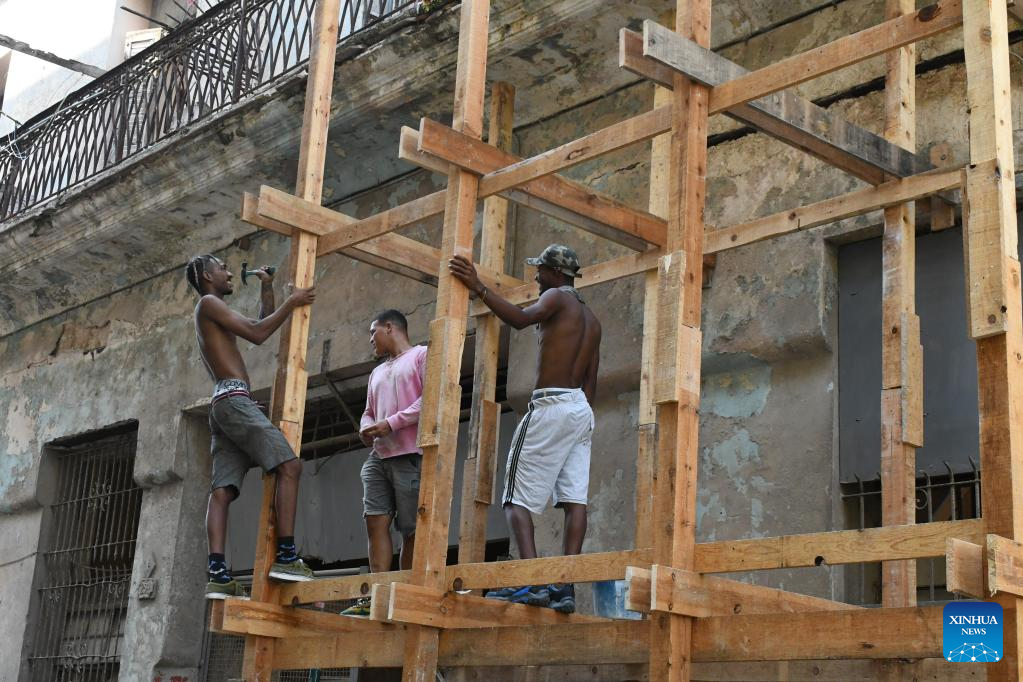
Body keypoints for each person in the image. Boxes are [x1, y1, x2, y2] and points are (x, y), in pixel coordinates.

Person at [449, 244, 601, 614]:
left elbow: (519, 319)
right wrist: (574, 418)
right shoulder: (592, 320)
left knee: (514, 499)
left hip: (550, 405)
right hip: (580, 410)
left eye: (541, 270)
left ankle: (532, 581)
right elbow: (591, 382)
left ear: (557, 273)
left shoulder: (556, 297)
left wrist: (478, 287)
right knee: (574, 501)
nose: (536, 276)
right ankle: (564, 587)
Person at [186, 254, 317, 600]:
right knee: (290, 467)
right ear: (206, 276)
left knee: (222, 491)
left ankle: (218, 575)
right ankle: (286, 557)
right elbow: (258, 334)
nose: (230, 273)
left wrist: (268, 288)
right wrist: (293, 300)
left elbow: (259, 324)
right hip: (232, 401)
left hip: (225, 403)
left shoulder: (210, 310)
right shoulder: (209, 303)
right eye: (222, 268)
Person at [342, 309, 428, 617]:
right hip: (378, 456)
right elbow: (368, 411)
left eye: (373, 332)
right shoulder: (376, 372)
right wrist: (366, 427)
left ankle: (405, 595)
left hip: (410, 454)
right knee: (375, 521)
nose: (370, 340)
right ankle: (376, 595)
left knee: (410, 529)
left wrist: (391, 423)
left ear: (390, 327)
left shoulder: (421, 355)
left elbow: (430, 399)